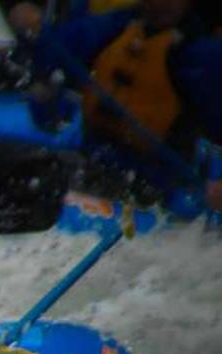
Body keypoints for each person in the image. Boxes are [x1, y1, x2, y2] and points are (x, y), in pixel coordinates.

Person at [24, 0, 222, 211]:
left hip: (158, 186)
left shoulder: (204, 58)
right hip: (94, 164)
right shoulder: (115, 27)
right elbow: (51, 53)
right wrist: (33, 29)